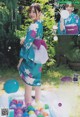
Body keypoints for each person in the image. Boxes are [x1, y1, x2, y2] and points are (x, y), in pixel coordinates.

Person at [17, 3, 48, 108]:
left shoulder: (33, 26)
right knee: (37, 82)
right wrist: (27, 39)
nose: (31, 14)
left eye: (34, 12)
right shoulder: (40, 24)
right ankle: (38, 103)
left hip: (31, 58)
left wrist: (21, 58)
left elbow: (27, 44)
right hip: (38, 57)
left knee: (28, 84)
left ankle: (28, 107)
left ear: (39, 13)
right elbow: (35, 39)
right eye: (30, 11)